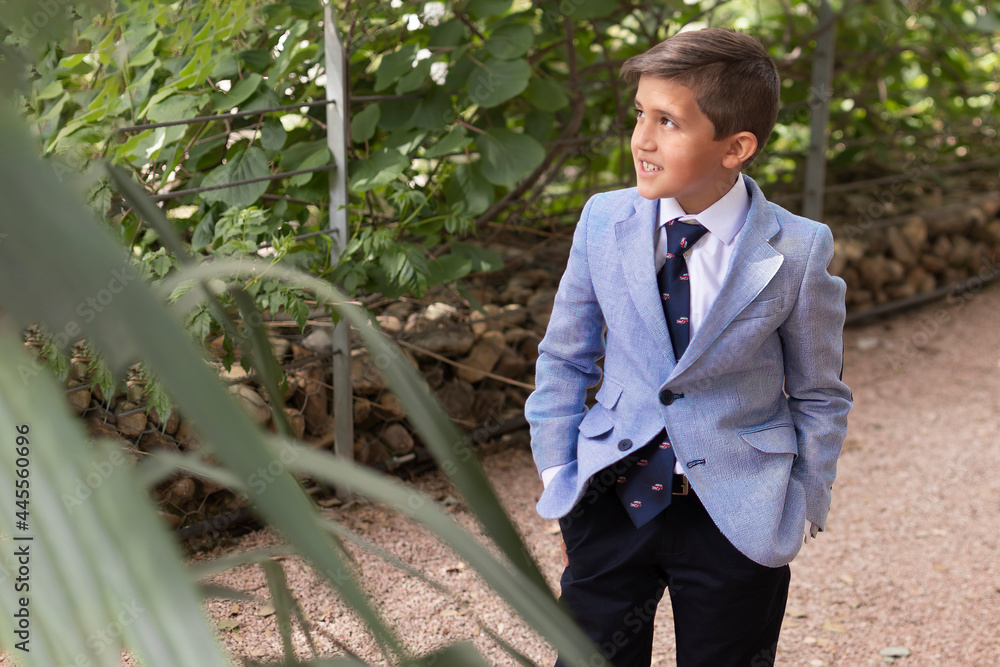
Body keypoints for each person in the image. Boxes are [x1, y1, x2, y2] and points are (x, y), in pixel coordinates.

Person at [524, 28, 853, 667]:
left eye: (668, 121)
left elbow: (819, 392)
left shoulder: (799, 248)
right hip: (612, 498)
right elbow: (565, 356)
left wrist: (803, 503)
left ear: (736, 147)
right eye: (640, 115)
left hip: (739, 513)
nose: (642, 139)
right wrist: (560, 476)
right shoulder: (603, 220)